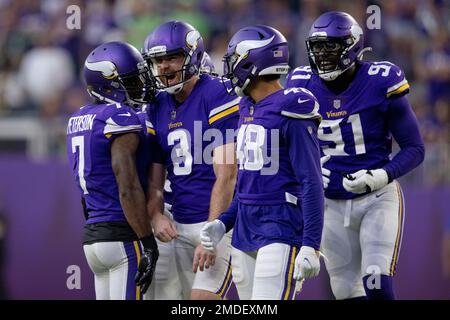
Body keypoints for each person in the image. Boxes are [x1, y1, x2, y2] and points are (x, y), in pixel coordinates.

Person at [286, 11, 425, 300]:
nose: (322, 55)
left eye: (331, 47)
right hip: (330, 202)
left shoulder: (380, 80)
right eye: (318, 47)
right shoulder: (300, 84)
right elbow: (284, 144)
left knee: (376, 280)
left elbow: (415, 148)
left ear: (352, 47)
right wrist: (306, 169)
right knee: (346, 292)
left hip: (376, 197)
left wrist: (381, 175)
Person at [200, 25, 324, 300]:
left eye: (234, 62)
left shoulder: (293, 104)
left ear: (252, 64)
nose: (230, 70)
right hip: (245, 228)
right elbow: (248, 183)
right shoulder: (246, 106)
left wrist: (311, 244)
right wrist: (224, 222)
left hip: (280, 225)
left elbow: (311, 180)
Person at [142, 21, 239, 300]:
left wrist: (211, 233)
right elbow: (156, 179)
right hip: (179, 224)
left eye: (172, 57)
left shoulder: (216, 92)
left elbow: (227, 175)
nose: (164, 66)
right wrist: (156, 214)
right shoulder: (157, 104)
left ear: (193, 56)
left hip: (220, 222)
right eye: (158, 60)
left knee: (201, 301)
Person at [66, 41, 159, 300]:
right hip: (123, 236)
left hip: (94, 237)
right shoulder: (119, 117)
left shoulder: (79, 118)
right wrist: (148, 242)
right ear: (110, 85)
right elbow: (126, 185)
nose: (139, 86)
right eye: (131, 82)